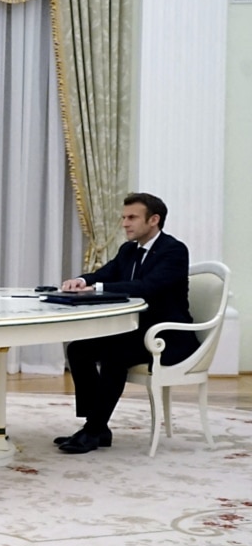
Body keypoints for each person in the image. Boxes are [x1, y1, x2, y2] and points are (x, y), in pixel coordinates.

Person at [54, 192, 198, 454]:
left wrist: (97, 287)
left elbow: (147, 287)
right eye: (123, 217)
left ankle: (94, 428)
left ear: (154, 220)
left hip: (167, 337)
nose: (125, 223)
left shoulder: (174, 250)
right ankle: (96, 425)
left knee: (114, 354)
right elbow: (103, 274)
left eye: (132, 217)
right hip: (135, 332)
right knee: (78, 349)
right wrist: (82, 281)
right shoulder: (128, 250)